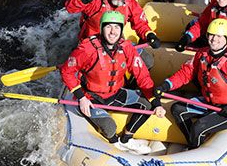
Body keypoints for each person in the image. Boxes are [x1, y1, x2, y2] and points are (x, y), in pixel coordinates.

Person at [60, 11, 166, 154]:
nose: (112, 32)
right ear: (102, 28)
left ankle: (126, 139)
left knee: (146, 104)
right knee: (110, 127)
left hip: (114, 93)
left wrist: (157, 103)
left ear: (121, 30)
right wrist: (81, 97)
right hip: (92, 98)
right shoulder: (87, 48)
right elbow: (66, 71)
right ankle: (114, 143)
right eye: (108, 27)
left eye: (116, 27)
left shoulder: (126, 47)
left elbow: (143, 76)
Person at [154, 19, 227, 148]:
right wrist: (166, 85)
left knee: (198, 127)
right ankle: (195, 143)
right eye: (211, 35)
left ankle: (194, 149)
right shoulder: (202, 54)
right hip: (209, 102)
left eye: (219, 36)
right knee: (177, 109)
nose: (214, 39)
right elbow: (186, 73)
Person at [65, 0, 161, 48]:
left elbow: (140, 23)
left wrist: (149, 35)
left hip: (115, 40)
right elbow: (70, 8)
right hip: (91, 44)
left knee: (148, 61)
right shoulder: (96, 0)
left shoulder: (129, 3)